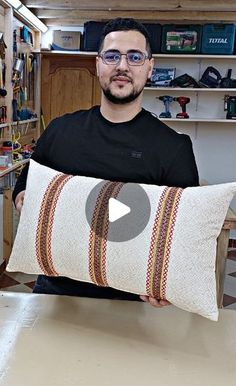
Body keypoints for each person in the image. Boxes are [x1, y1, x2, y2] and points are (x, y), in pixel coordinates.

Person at [13, 17, 199, 308]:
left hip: (132, 304)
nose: (122, 66)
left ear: (150, 67)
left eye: (134, 57)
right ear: (97, 64)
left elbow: (184, 233)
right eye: (112, 56)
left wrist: (169, 282)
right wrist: (23, 198)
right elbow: (26, 183)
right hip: (56, 295)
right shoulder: (60, 131)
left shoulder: (173, 148)